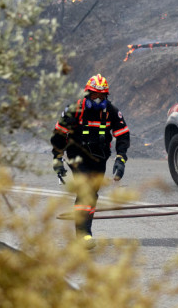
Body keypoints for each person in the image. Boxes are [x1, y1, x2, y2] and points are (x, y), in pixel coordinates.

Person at [51, 74, 130, 248]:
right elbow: (59, 134)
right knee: (86, 188)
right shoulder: (74, 110)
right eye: (95, 95)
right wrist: (57, 158)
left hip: (99, 157)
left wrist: (121, 159)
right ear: (87, 94)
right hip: (76, 155)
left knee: (92, 193)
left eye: (102, 96)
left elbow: (123, 135)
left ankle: (85, 231)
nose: (98, 99)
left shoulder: (112, 111)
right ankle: (83, 234)